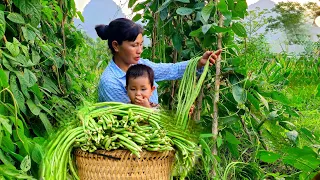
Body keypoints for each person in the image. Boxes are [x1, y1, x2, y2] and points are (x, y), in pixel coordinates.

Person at [95, 18, 221, 104]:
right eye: (134, 45)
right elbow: (132, 119)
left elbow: (172, 69)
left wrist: (199, 63)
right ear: (116, 46)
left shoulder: (141, 65)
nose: (139, 50)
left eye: (141, 44)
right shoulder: (110, 82)